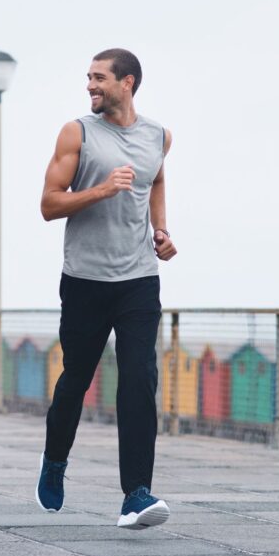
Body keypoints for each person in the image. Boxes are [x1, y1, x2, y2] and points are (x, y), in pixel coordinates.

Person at [36, 48, 177, 530]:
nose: (90, 86)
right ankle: (55, 460)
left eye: (99, 79)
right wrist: (100, 190)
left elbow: (155, 180)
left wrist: (161, 230)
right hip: (84, 281)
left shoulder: (159, 135)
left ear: (127, 83)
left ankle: (135, 494)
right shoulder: (77, 132)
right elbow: (48, 205)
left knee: (139, 378)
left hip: (138, 278)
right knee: (76, 378)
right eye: (88, 78)